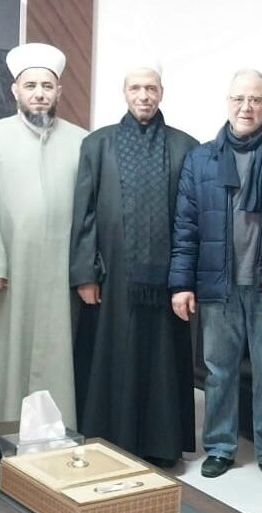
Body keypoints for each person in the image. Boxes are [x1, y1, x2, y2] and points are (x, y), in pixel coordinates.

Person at [169, 68, 262, 481]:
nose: (247, 107)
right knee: (218, 370)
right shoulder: (202, 158)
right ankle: (220, 446)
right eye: (239, 99)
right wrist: (181, 283)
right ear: (228, 102)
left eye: (255, 99)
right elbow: (186, 225)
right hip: (216, 285)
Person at [69, 63, 197, 466]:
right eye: (136, 88)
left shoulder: (185, 147)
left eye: (151, 88)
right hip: (112, 278)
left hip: (167, 281)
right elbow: (84, 214)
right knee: (113, 358)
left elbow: (191, 219)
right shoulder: (98, 144)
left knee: (162, 363)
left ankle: (162, 446)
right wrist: (85, 274)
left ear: (162, 93)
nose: (144, 95)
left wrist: (185, 279)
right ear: (124, 93)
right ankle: (111, 440)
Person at [0, 42, 86, 428]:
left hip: (60, 266)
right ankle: (4, 428)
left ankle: (57, 431)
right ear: (15, 90)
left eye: (47, 86)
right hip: (9, 266)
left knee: (58, 350)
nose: (39, 94)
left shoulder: (81, 140)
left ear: (59, 92)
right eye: (31, 85)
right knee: (7, 351)